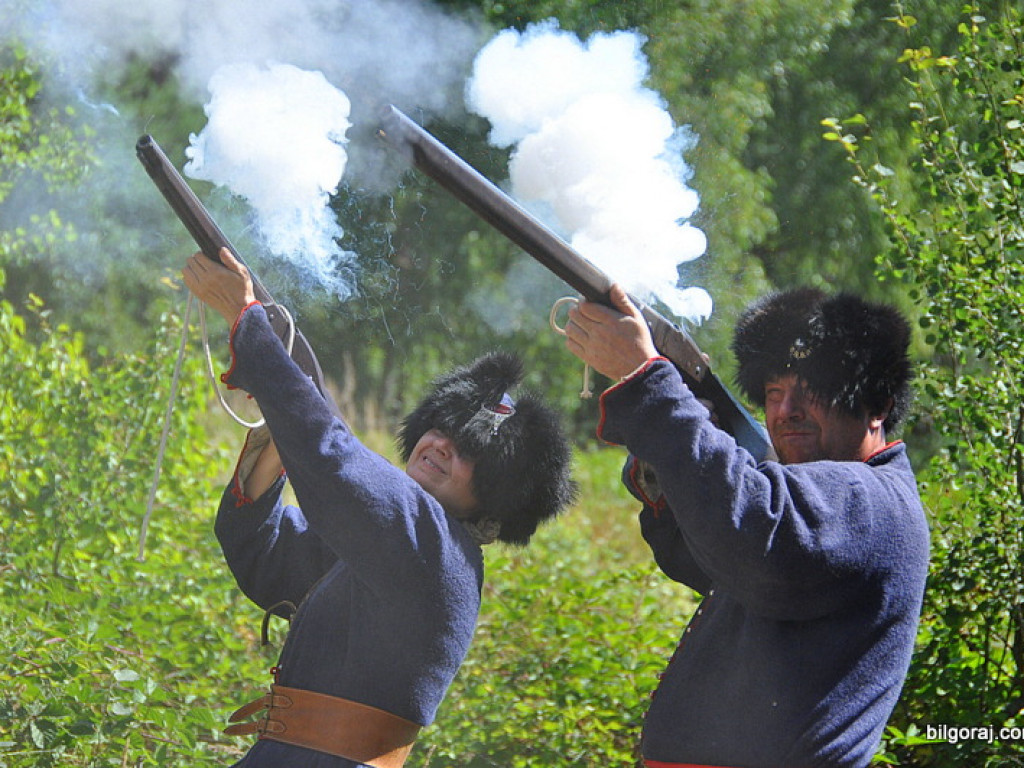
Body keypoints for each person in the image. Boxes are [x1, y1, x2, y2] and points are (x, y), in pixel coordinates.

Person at [182, 247, 576, 768]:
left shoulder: (438, 548)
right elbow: (262, 549)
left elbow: (331, 456)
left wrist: (250, 325)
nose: (440, 444)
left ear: (496, 498)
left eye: (470, 450)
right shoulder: (396, 546)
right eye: (440, 426)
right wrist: (283, 424)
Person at [562, 283, 929, 768]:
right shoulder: (815, 500)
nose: (785, 411)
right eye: (774, 392)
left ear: (876, 404)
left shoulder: (872, 498)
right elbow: (705, 556)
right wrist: (679, 451)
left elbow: (751, 532)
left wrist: (650, 384)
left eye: (811, 390)